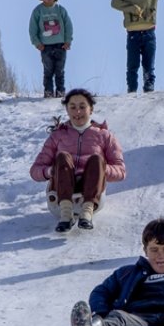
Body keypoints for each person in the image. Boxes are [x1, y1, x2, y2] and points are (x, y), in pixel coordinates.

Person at [30, 89, 126, 232]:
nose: (78, 112)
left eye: (82, 107)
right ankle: (66, 215)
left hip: (93, 197)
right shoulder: (58, 136)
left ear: (91, 109)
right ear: (67, 110)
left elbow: (121, 171)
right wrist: (51, 171)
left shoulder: (105, 136)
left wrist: (102, 169)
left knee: (96, 159)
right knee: (62, 157)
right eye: (73, 107)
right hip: (60, 196)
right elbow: (35, 170)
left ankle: (86, 214)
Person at [110, 0, 164, 93]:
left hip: (149, 32)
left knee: (149, 65)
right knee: (132, 65)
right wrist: (130, 8)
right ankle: (132, 90)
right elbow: (114, 3)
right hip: (133, 33)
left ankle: (149, 89)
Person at [28, 0, 73, 98]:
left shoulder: (61, 10)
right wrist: (36, 42)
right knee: (48, 72)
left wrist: (68, 41)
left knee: (59, 71)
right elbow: (32, 29)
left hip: (60, 46)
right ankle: (48, 93)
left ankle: (60, 94)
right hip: (46, 47)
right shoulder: (38, 11)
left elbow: (69, 26)